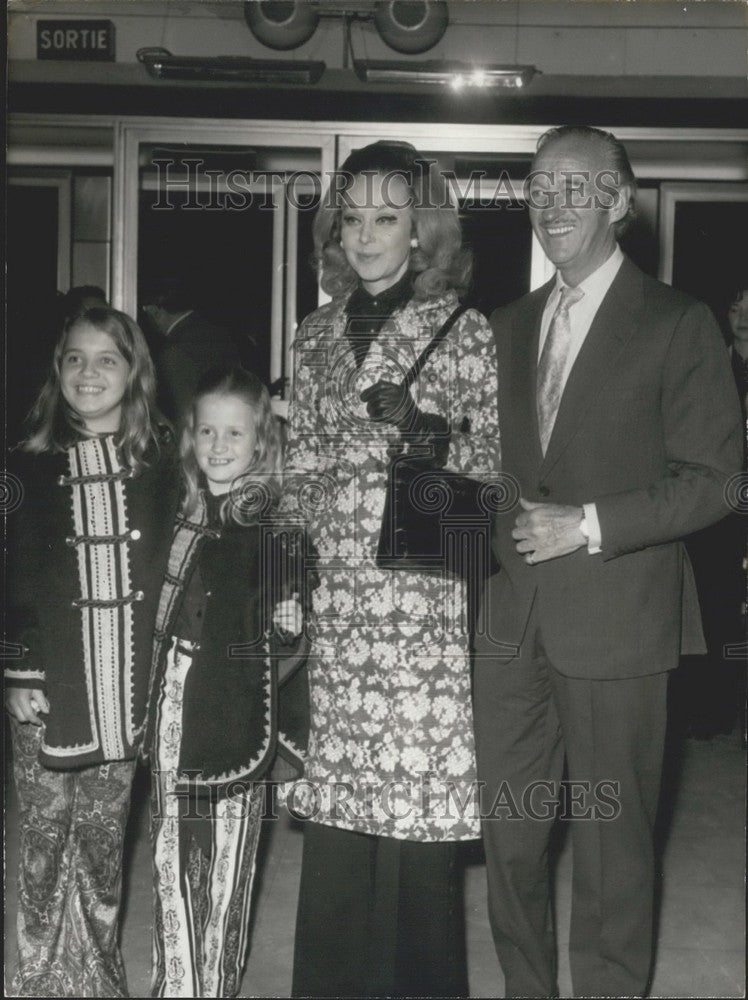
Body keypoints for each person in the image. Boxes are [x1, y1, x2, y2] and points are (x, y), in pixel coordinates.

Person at [473, 124, 744, 999]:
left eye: (575, 186)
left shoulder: (677, 323)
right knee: (512, 841)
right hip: (512, 628)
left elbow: (717, 484)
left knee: (610, 848)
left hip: (620, 625)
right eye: (539, 186)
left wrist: (588, 522)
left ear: (620, 204)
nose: (551, 202)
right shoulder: (506, 327)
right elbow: (493, 475)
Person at [281, 140, 501, 998]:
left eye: (387, 217)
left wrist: (426, 430)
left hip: (420, 609)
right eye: (353, 217)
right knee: (340, 814)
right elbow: (300, 472)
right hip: (338, 607)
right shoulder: (314, 335)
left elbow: (493, 476)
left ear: (422, 230)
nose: (366, 234)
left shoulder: (464, 331)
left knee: (413, 816)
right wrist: (286, 583)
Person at [4, 307, 180, 997]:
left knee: (106, 844)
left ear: (135, 371)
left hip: (126, 691)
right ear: (57, 371)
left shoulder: (165, 463)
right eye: (74, 358)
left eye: (107, 358)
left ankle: (98, 972)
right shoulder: (23, 465)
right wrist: (14, 667)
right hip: (45, 687)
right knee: (44, 841)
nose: (88, 372)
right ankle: (40, 976)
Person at [144, 366, 310, 998]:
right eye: (207, 431)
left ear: (260, 442)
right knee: (170, 849)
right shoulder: (177, 512)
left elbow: (291, 622)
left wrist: (290, 619)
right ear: (190, 436)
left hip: (236, 709)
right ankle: (176, 986)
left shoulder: (274, 526)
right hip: (171, 700)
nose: (218, 445)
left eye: (233, 434)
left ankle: (214, 984)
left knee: (228, 862)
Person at [140, 279, 243, 423]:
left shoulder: (174, 351)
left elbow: (184, 415)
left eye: (145, 310)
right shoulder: (219, 334)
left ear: (155, 311)